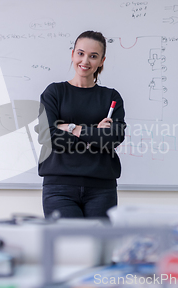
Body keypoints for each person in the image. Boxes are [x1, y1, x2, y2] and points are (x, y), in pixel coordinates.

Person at [36, 30, 126, 218]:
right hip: (59, 188)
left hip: (102, 188)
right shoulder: (54, 93)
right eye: (81, 53)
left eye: (93, 56)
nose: (85, 61)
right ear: (73, 54)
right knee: (68, 247)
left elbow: (114, 138)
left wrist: (73, 128)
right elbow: (47, 136)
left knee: (99, 247)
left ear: (102, 61)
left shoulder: (111, 97)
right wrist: (95, 135)